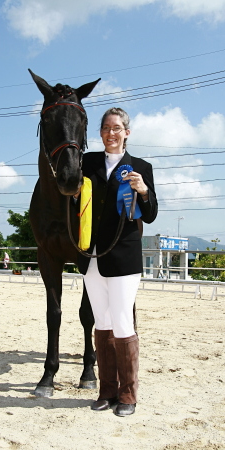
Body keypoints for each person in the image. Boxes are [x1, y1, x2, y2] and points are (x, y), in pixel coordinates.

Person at [76, 107, 158, 417]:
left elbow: (149, 216)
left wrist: (144, 191)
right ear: (100, 133)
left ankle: (128, 394)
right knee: (102, 323)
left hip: (124, 257)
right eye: (107, 127)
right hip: (92, 256)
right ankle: (106, 390)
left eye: (117, 127)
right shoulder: (88, 163)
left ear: (127, 132)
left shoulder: (140, 166)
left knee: (123, 322)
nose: (112, 132)